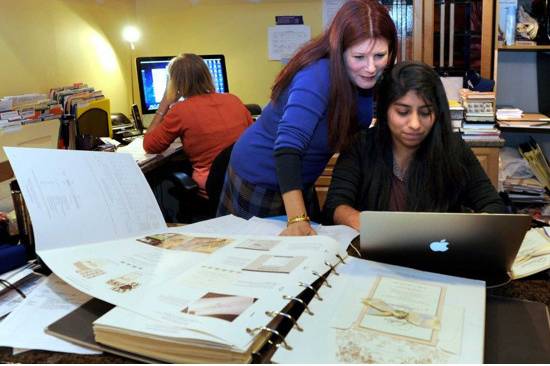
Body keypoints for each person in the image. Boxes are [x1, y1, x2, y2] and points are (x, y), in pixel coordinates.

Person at [217, 0, 397, 236]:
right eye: (359, 57)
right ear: (339, 50)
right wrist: (298, 218)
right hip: (260, 176)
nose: (371, 67)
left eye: (380, 55)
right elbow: (288, 148)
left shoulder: (367, 80)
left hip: (299, 181)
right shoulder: (318, 75)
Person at [324, 61, 506, 231]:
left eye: (425, 112)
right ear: (384, 111)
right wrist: (371, 228)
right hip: (372, 257)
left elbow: (493, 206)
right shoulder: (361, 146)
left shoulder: (454, 148)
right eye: (403, 112)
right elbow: (336, 205)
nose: (415, 124)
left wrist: (468, 230)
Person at [143, 53, 253, 198]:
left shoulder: (180, 111)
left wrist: (165, 104)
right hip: (244, 182)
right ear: (207, 75)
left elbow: (150, 145)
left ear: (175, 84)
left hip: (214, 187)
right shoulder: (233, 100)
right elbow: (252, 137)